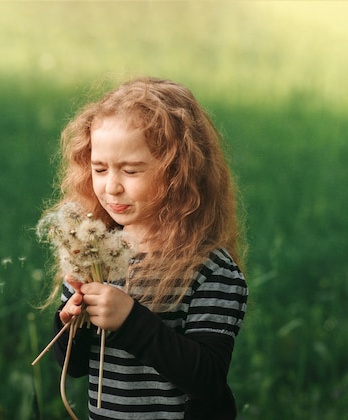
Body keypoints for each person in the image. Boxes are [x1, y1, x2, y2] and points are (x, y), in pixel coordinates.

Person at [43, 77, 248, 419]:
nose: (112, 186)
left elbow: (208, 380)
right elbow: (75, 367)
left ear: (178, 172)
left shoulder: (210, 269)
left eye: (131, 170)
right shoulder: (93, 254)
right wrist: (70, 325)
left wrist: (130, 320)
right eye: (99, 168)